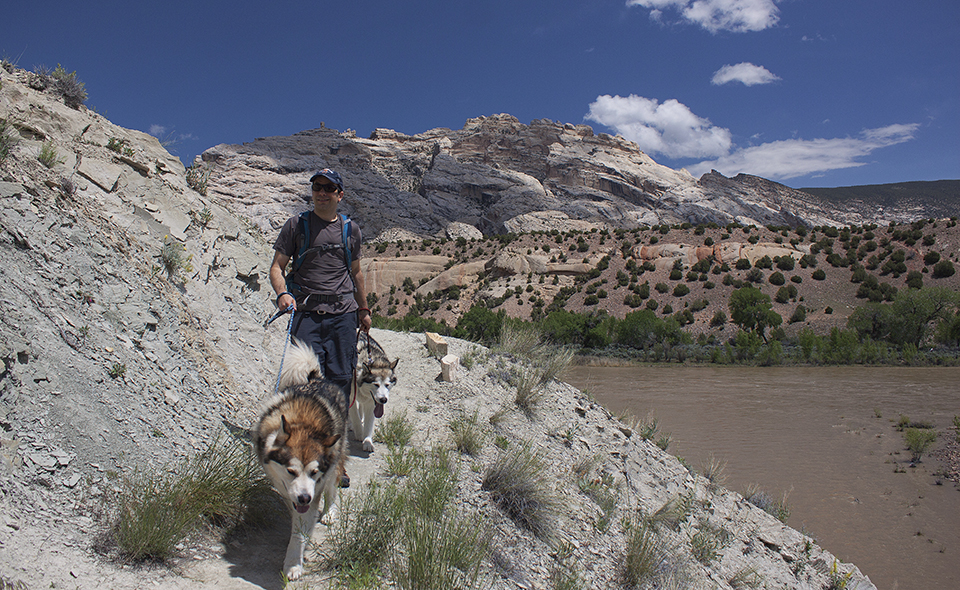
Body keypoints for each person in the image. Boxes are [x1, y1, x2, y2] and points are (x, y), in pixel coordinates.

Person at [270, 169, 371, 486]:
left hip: (343, 317)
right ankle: (301, 455)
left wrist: (364, 309)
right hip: (307, 316)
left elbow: (355, 274)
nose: (321, 192)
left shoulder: (349, 230)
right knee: (306, 389)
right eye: (317, 187)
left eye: (329, 188)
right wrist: (283, 293)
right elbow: (277, 267)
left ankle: (336, 463)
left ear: (340, 194)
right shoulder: (296, 226)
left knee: (340, 387)